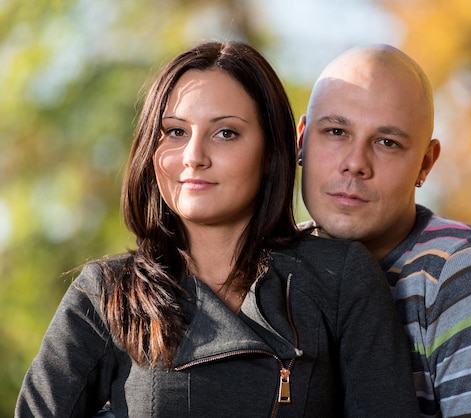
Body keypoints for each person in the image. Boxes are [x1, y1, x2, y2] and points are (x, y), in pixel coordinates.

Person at [15, 41, 421, 417]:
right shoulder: (107, 292)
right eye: (176, 131)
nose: (194, 156)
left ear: (271, 152)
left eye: (225, 133)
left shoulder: (341, 278)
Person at [297, 44, 471, 417]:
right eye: (336, 131)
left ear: (425, 163)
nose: (355, 164)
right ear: (302, 140)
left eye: (387, 142)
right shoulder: (263, 269)